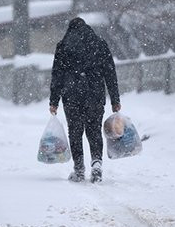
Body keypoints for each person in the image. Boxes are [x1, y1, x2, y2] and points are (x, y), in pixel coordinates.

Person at [49, 17, 121, 183]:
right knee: (94, 130)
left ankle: (79, 168)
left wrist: (54, 101)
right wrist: (115, 99)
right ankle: (96, 164)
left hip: (72, 95)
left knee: (75, 132)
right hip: (94, 95)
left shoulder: (63, 46)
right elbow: (110, 73)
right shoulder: (100, 44)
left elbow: (57, 76)